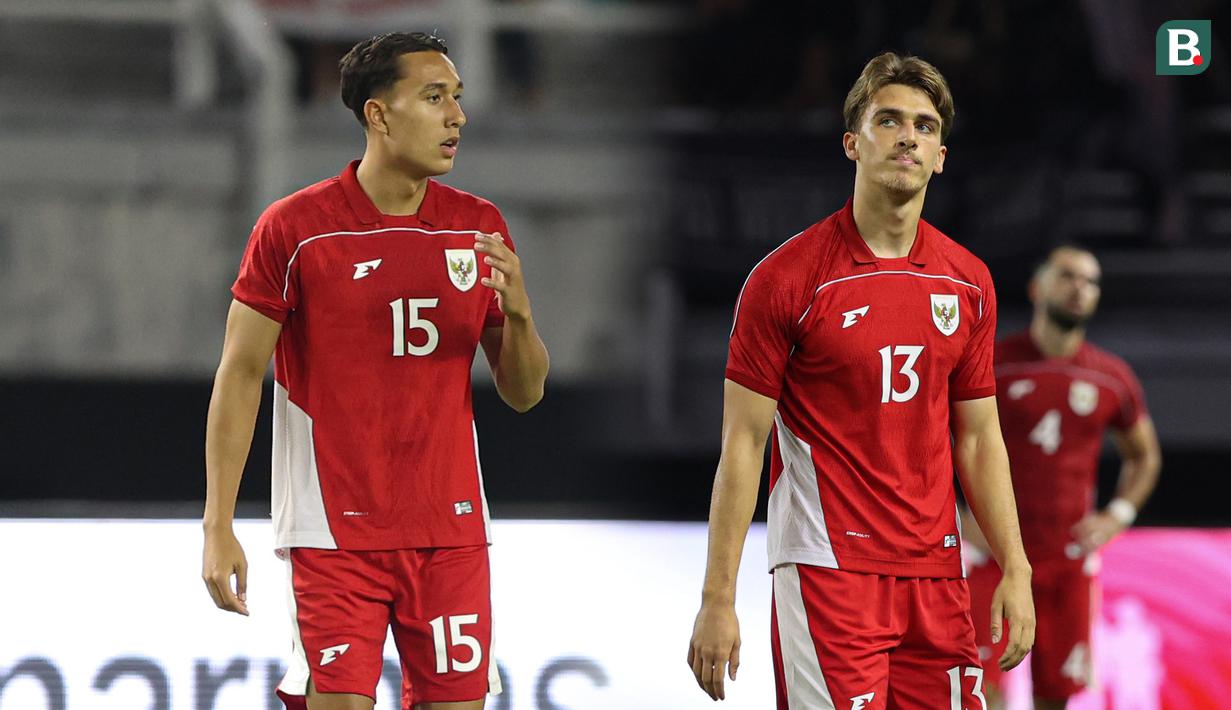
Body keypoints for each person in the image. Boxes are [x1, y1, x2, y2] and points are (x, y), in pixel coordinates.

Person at [200, 32, 549, 710]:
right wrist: (217, 526)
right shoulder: (295, 229)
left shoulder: (477, 227)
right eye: (433, 97)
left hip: (450, 534)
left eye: (457, 98)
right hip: (334, 536)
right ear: (377, 115)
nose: (457, 116)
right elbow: (240, 377)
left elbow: (525, 392)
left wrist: (523, 315)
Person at [687, 52, 1035, 708]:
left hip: (936, 574)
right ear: (852, 142)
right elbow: (741, 446)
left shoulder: (967, 282)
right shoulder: (786, 279)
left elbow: (979, 441)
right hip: (827, 568)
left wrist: (1014, 567)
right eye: (889, 120)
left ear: (939, 157)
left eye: (925, 127)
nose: (908, 136)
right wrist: (716, 598)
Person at [962, 246, 1161, 710]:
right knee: (981, 691)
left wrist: (1117, 515)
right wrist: (957, 511)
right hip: (994, 553)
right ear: (1038, 287)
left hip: (1067, 558)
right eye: (1069, 276)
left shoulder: (1112, 377)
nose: (1080, 288)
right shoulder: (993, 363)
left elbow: (1145, 457)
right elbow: (939, 438)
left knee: (1055, 695)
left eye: (1090, 282)